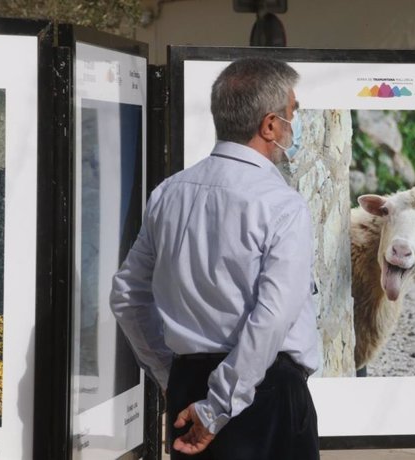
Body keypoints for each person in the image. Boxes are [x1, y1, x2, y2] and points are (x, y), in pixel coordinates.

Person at [110, 57, 320, 460]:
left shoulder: (170, 192)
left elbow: (126, 295)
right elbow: (274, 315)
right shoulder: (281, 204)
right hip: (262, 395)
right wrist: (218, 405)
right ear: (270, 125)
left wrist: (173, 375)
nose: (294, 126)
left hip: (191, 388)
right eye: (292, 114)